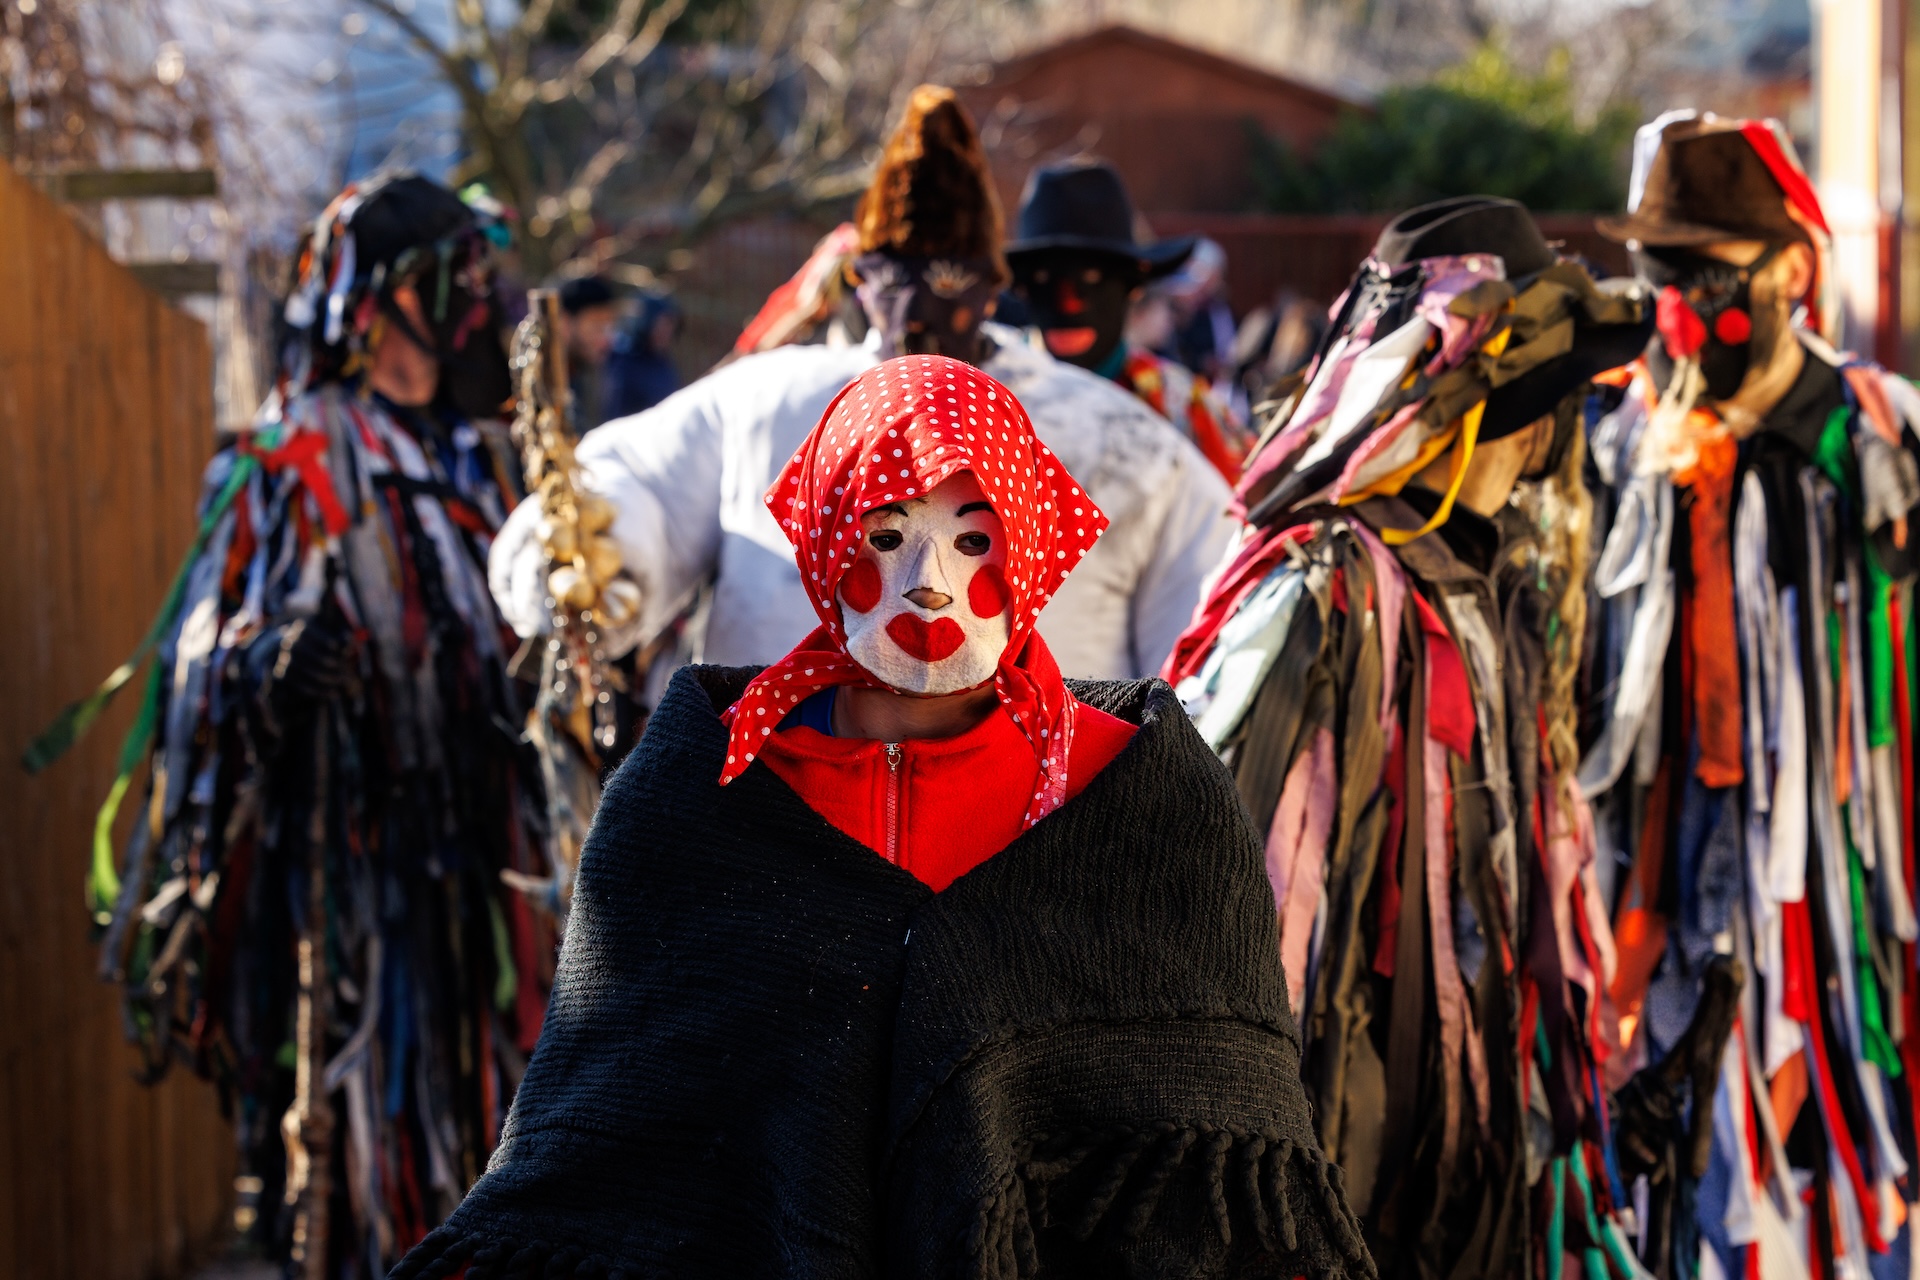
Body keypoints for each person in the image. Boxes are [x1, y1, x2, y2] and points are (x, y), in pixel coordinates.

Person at [392, 354, 1375, 1280]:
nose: (931, 582)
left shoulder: (1136, 796)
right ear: (825, 539)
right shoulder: (701, 790)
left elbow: (1219, 1160)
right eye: (887, 536)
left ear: (1031, 542)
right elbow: (605, 1149)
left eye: (974, 539)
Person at [40, 171, 550, 1276]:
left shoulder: (476, 459)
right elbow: (201, 652)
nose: (479, 302)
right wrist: (264, 661)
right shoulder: (296, 452)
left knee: (491, 1138)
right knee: (371, 1167)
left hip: (479, 875)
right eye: (456, 277)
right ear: (385, 299)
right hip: (359, 886)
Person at [1164, 197, 1655, 1276]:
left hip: (1468, 1150)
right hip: (1341, 1150)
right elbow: (1231, 903)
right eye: (1544, 403)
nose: (1554, 438)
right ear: (1474, 415)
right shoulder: (1325, 593)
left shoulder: (1488, 577)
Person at [489, 86, 1234, 697]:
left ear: (989, 287)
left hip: (1041, 815)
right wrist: (599, 547)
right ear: (859, 280)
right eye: (893, 280)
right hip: (777, 803)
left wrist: (1161, 780)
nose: (919, 312)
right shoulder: (765, 400)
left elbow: (1204, 618)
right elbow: (643, 473)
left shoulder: (1126, 442)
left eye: (947, 281)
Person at [1581, 112, 1920, 1277]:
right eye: (1658, 276)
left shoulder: (1881, 441)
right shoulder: (1609, 444)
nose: (1677, 310)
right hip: (1657, 903)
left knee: (1849, 1193)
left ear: (1791, 271)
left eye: (1708, 277)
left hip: (1850, 913)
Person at [1005, 160, 1252, 483]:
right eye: (1043, 278)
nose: (1068, 303)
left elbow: (1244, 498)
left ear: (1132, 288)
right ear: (1022, 287)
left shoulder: (1182, 406)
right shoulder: (986, 401)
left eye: (1091, 278)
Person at [601, 289, 681, 420]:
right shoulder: (625, 364)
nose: (666, 332)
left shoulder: (663, 362)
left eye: (670, 325)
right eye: (661, 325)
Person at [556, 274, 619, 427]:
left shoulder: (588, 373)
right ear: (565, 323)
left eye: (609, 327)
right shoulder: (538, 380)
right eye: (597, 326)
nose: (606, 339)